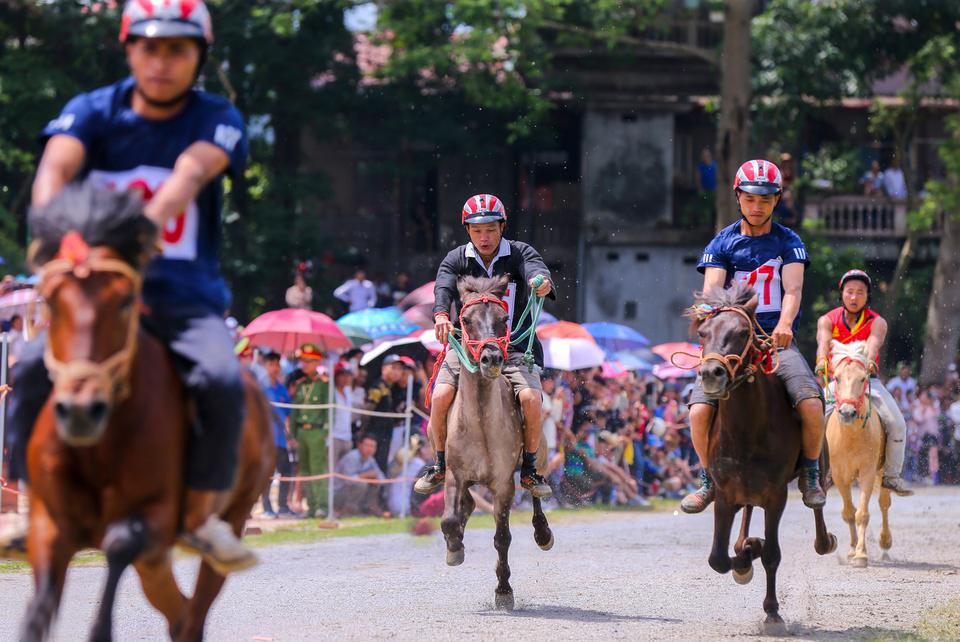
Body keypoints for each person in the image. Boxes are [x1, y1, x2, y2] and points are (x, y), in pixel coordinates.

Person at [0, 0, 255, 572]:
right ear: (129, 48)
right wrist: (47, 229)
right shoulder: (91, 110)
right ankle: (25, 509)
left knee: (219, 378)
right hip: (101, 298)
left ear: (199, 56)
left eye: (177, 49)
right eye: (149, 46)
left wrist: (139, 235)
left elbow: (188, 176)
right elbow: (54, 169)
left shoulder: (217, 116)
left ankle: (205, 516)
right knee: (30, 368)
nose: (161, 61)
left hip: (182, 299)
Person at [681, 159, 826, 514]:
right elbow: (712, 292)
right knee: (699, 411)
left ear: (776, 200)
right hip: (732, 342)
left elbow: (792, 289)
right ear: (738, 198)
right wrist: (705, 321)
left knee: (810, 403)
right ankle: (707, 479)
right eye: (749, 199)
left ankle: (809, 472)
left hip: (775, 341)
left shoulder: (789, 242)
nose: (757, 206)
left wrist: (786, 324)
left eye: (765, 200)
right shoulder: (722, 243)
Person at [414, 193, 556, 498]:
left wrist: (541, 281)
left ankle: (530, 470)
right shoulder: (456, 259)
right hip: (468, 350)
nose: (484, 237)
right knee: (439, 397)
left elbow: (536, 270)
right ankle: (439, 463)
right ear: (467, 230)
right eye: (477, 230)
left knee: (531, 399)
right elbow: (442, 288)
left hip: (513, 348)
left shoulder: (520, 253)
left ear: (502, 226)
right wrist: (440, 315)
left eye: (491, 229)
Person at [814, 269, 913, 495]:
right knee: (811, 421)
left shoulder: (877, 321)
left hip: (868, 380)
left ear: (868, 296)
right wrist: (821, 360)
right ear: (842, 294)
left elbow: (873, 344)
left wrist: (869, 362)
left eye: (860, 292)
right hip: (838, 382)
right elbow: (823, 343)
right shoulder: (827, 319)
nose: (854, 297)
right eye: (850, 292)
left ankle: (891, 475)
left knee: (897, 423)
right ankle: (816, 472)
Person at [258, 352, 302, 518]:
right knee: (267, 474)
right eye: (272, 364)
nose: (275, 368)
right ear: (266, 366)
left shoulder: (282, 389)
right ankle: (267, 507)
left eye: (278, 364)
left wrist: (290, 436)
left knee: (286, 471)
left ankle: (283, 506)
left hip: (281, 440)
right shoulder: (260, 387)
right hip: (265, 439)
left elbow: (288, 415)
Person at [289, 343, 330, 517]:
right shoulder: (300, 384)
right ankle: (311, 507)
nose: (303, 365)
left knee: (318, 468)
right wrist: (292, 434)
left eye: (308, 361)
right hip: (301, 432)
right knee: (304, 469)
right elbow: (294, 411)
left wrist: (325, 433)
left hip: (316, 431)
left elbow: (329, 409)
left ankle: (322, 506)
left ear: (316, 362)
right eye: (302, 361)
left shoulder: (324, 384)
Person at [359, 354, 406, 476]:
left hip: (386, 432)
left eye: (399, 369)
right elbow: (368, 410)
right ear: (383, 368)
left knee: (383, 462)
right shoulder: (378, 386)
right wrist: (362, 432)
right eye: (393, 367)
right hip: (374, 432)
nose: (397, 372)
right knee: (374, 464)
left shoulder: (393, 388)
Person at [334, 436, 385, 517]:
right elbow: (348, 481)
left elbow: (383, 479)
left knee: (375, 483)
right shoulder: (352, 457)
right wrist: (366, 475)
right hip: (338, 494)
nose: (370, 449)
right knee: (361, 484)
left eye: (373, 446)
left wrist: (375, 478)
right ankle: (347, 511)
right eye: (367, 445)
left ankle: (365, 510)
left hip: (351, 493)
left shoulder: (371, 460)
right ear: (359, 445)